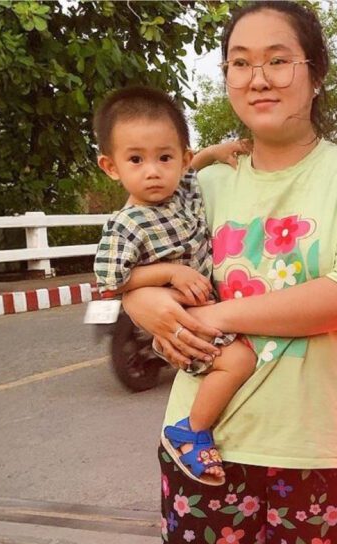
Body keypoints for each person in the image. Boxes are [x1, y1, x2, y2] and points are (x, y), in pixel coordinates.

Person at [119, 2, 337, 544]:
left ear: (316, 73)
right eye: (240, 63)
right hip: (203, 447)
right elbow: (132, 254)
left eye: (278, 60)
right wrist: (143, 302)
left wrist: (216, 318)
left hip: (321, 450)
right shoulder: (204, 184)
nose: (258, 78)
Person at [92, 87, 257, 486]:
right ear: (111, 167)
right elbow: (110, 279)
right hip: (181, 314)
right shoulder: (126, 225)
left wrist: (213, 152)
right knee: (240, 361)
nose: (152, 171)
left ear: (181, 160)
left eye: (164, 158)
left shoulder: (181, 191)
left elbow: (191, 167)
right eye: (136, 160)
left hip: (202, 301)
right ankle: (191, 431)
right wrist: (167, 273)